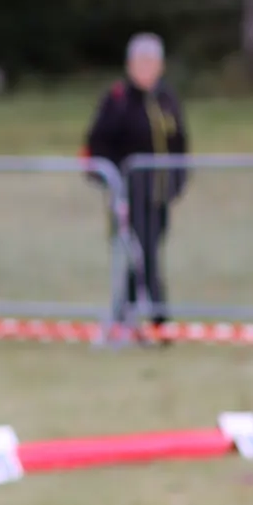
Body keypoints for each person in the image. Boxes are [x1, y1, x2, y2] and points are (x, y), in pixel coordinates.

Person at [84, 33, 188, 334]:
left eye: (151, 62)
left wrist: (178, 181)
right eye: (140, 62)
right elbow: (97, 143)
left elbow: (180, 141)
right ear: (130, 65)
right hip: (128, 195)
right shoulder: (117, 100)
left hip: (159, 195)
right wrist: (109, 181)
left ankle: (128, 313)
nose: (146, 69)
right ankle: (156, 318)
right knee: (140, 254)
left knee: (148, 252)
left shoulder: (167, 100)